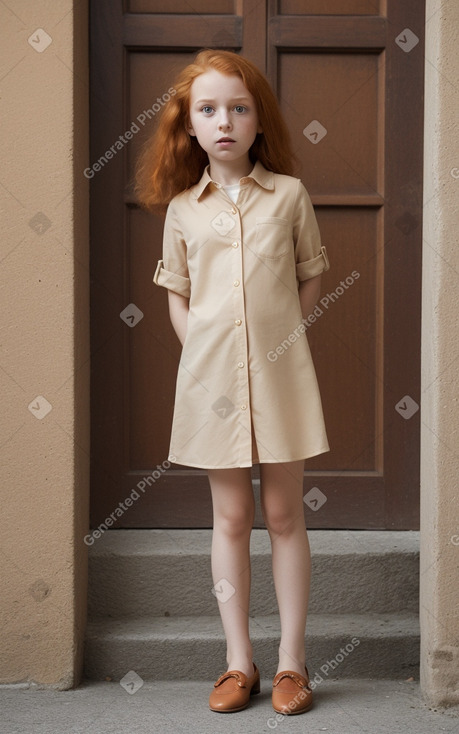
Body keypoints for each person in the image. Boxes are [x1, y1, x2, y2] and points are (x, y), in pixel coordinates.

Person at [135, 48, 330, 715]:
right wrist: (203, 355)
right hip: (209, 386)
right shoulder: (184, 210)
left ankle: (292, 665)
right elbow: (176, 294)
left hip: (281, 379)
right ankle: (238, 663)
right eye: (209, 109)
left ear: (257, 120)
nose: (224, 121)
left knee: (282, 515)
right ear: (188, 124)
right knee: (231, 517)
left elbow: (312, 274)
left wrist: (283, 341)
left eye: (239, 108)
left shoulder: (289, 197)